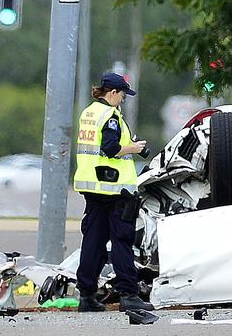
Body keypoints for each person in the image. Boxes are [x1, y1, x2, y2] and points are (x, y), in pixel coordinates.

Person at [73, 72, 153, 312]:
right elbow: (109, 148)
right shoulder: (110, 115)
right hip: (115, 189)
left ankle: (86, 296)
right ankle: (128, 295)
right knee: (122, 241)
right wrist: (134, 148)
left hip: (93, 188)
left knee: (93, 242)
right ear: (113, 93)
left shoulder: (89, 112)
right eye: (122, 95)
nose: (123, 100)